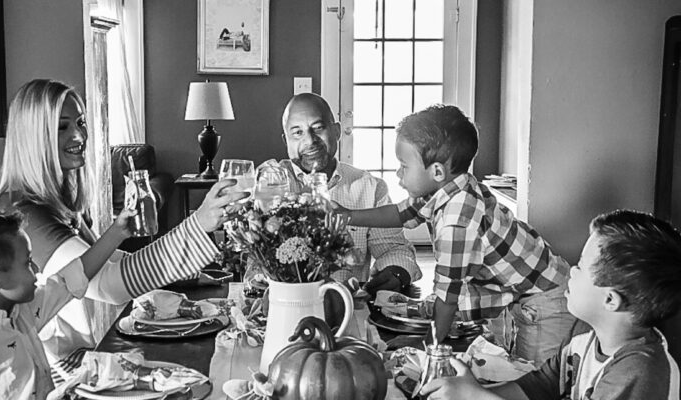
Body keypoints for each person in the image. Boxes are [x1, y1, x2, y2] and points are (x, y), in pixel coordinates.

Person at [0, 79, 246, 380]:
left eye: (81, 122)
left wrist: (189, 274)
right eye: (62, 127)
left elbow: (112, 261)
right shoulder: (25, 215)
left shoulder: (55, 204)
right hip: (60, 373)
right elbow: (108, 286)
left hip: (89, 355)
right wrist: (198, 224)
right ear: (33, 137)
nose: (78, 135)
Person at [337, 104, 574, 365]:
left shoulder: (457, 219)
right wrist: (348, 214)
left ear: (437, 171)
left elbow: (448, 295)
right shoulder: (446, 187)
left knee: (534, 377)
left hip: (543, 301)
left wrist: (431, 346)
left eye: (404, 165)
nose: (398, 173)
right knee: (506, 362)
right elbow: (399, 214)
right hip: (520, 294)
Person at [420, 210, 681, 400]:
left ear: (610, 300)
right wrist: (466, 391)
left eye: (581, 265)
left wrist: (477, 397)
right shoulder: (582, 345)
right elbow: (535, 388)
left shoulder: (640, 371)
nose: (572, 271)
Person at [0, 209, 136, 399]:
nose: (36, 269)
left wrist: (116, 233)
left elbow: (71, 278)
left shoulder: (22, 312)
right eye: (27, 263)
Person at [260, 92, 420, 294]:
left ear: (336, 131)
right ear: (286, 141)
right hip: (281, 305)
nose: (310, 140)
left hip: (347, 307)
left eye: (318, 128)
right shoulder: (269, 183)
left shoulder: (370, 187)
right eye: (297, 133)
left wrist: (397, 272)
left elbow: (393, 248)